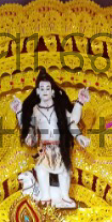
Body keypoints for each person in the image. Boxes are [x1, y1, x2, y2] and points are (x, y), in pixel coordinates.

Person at [10, 67, 90, 208]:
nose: (45, 91)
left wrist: (79, 135)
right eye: (42, 89)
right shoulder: (35, 110)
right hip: (45, 148)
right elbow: (29, 127)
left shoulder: (59, 108)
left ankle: (64, 197)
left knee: (65, 171)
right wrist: (19, 112)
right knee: (41, 169)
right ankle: (45, 196)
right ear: (38, 92)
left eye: (48, 88)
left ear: (53, 91)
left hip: (59, 148)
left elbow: (72, 121)